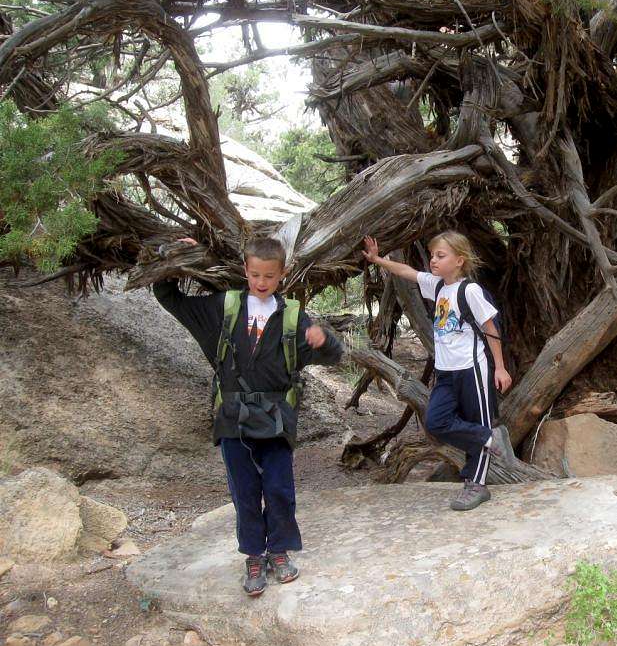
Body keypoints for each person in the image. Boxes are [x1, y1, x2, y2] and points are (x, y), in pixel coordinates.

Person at [153, 236, 343, 596]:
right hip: (232, 417)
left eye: (269, 276)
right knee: (244, 491)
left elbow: (333, 356)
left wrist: (325, 340)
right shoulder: (224, 307)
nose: (261, 282)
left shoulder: (292, 317)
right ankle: (254, 555)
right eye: (255, 274)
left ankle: (280, 550)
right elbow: (169, 298)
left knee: (279, 489)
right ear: (245, 270)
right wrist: (173, 254)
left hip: (276, 419)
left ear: (282, 274)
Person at [362, 231, 514, 511]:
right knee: (436, 422)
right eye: (432, 255)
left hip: (472, 370)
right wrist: (378, 260)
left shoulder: (470, 291)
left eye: (440, 256)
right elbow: (407, 271)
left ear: (459, 260)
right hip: (445, 373)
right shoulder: (437, 287)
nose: (433, 260)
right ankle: (490, 439)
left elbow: (491, 329)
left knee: (477, 423)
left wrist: (500, 368)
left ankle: (476, 485)